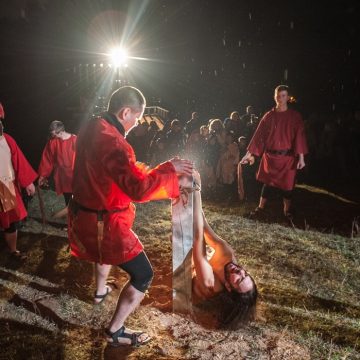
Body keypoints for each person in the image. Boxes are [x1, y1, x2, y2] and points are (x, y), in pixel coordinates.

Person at [68, 86, 193, 347]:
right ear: (125, 112)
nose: (136, 125)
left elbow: (114, 173)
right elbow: (138, 189)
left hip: (85, 215)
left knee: (103, 256)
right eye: (136, 119)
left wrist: (152, 172)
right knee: (143, 274)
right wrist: (169, 169)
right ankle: (115, 330)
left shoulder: (93, 125)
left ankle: (100, 291)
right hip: (103, 224)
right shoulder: (114, 141)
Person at [189, 170, 258, 329]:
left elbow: (197, 238)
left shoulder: (211, 282)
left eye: (239, 279)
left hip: (184, 283)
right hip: (196, 262)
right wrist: (196, 185)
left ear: (228, 287)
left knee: (190, 241)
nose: (240, 271)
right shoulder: (227, 254)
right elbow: (204, 226)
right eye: (245, 274)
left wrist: (196, 188)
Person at [240, 85, 308, 219]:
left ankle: (287, 211)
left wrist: (301, 158)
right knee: (267, 185)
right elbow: (259, 136)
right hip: (270, 157)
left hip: (288, 158)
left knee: (288, 187)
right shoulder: (269, 116)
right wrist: (249, 154)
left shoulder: (295, 117)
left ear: (288, 98)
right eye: (278, 96)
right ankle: (260, 208)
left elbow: (300, 137)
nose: (280, 99)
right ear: (274, 97)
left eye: (283, 96)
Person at [0, 102, 37, 260]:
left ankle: (13, 250)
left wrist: (27, 182)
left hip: (5, 187)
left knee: (10, 223)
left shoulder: (7, 140)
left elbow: (19, 162)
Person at [38, 120, 76, 208]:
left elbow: (82, 158)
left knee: (78, 201)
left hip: (75, 177)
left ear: (61, 131)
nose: (53, 136)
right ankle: (70, 219)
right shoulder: (53, 142)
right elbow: (47, 159)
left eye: (54, 134)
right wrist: (43, 175)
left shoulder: (75, 140)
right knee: (68, 200)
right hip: (63, 178)